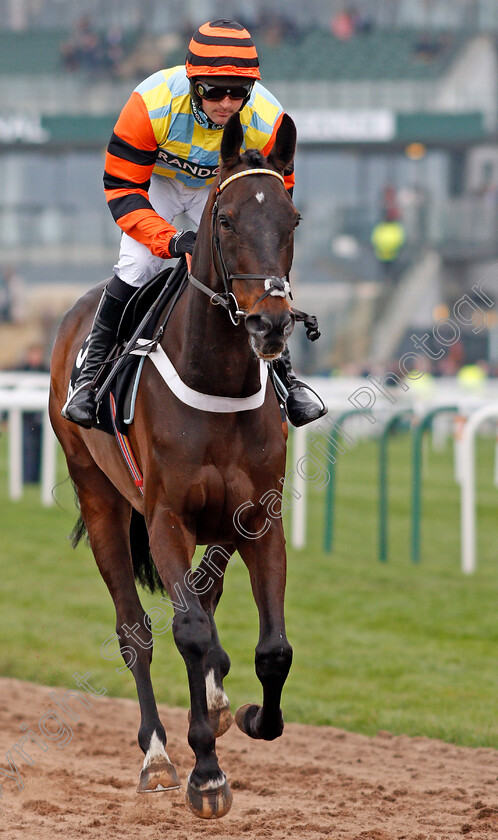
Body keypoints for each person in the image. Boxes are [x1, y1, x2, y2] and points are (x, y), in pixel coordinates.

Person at [63, 19, 326, 429]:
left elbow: (275, 207)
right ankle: (89, 378)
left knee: (255, 268)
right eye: (213, 91)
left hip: (221, 187)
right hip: (157, 183)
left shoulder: (269, 121)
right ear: (192, 82)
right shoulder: (150, 104)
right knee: (138, 266)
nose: (226, 103)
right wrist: (170, 240)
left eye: (238, 93)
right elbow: (121, 188)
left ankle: (287, 379)